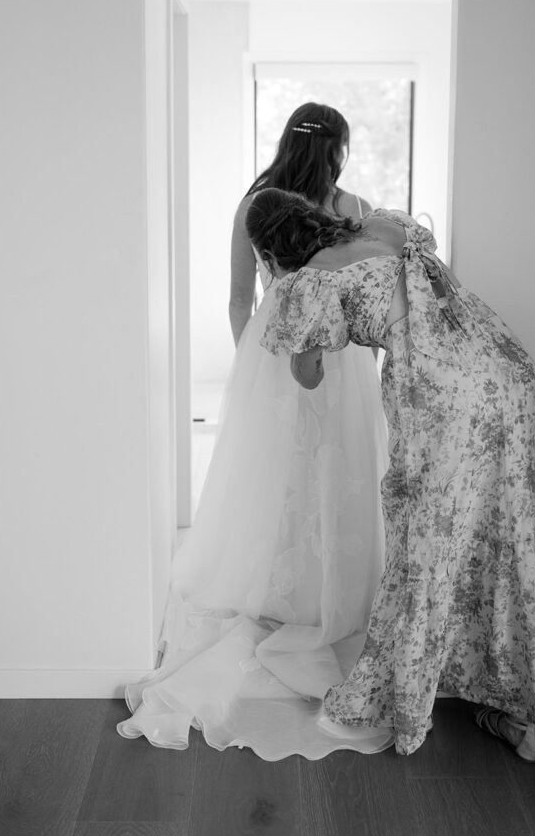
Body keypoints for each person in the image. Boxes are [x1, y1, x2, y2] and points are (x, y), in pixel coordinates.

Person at [246, 188, 535, 761]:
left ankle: (404, 704)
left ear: (270, 249)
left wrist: (294, 329)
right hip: (509, 367)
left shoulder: (311, 280)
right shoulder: (387, 225)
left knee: (428, 542)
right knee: (511, 530)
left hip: (443, 394)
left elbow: (309, 371)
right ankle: (523, 713)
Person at [118, 104, 390, 759]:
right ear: (340, 150)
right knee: (337, 468)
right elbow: (366, 290)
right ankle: (332, 586)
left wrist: (253, 365)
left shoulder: (256, 204)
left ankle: (277, 584)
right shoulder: (354, 205)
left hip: (275, 345)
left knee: (274, 471)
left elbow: (240, 297)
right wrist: (367, 358)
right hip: (342, 349)